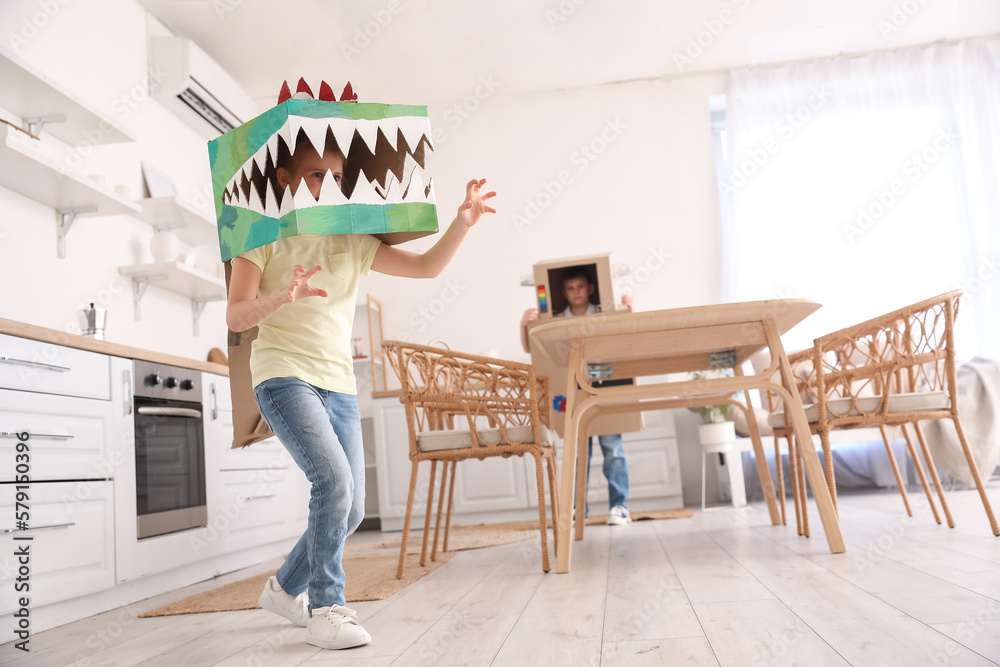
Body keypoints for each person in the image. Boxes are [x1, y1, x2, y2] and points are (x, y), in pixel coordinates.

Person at [226, 131, 496, 650]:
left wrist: (463, 223)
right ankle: (327, 607)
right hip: (284, 375)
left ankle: (284, 589)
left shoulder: (351, 239)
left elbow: (424, 267)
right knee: (333, 483)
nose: (329, 185)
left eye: (336, 177)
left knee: (349, 510)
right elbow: (237, 314)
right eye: (315, 175)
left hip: (338, 384)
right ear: (284, 180)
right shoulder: (260, 236)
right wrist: (281, 296)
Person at [519, 265, 634, 525]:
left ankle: (619, 506)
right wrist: (524, 324)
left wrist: (631, 309)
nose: (576, 292)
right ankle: (574, 509)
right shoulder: (558, 319)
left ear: (591, 288)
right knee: (578, 454)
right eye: (570, 288)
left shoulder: (604, 313)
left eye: (580, 286)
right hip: (573, 392)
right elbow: (533, 349)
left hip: (604, 387)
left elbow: (627, 334)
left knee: (613, 450)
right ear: (563, 292)